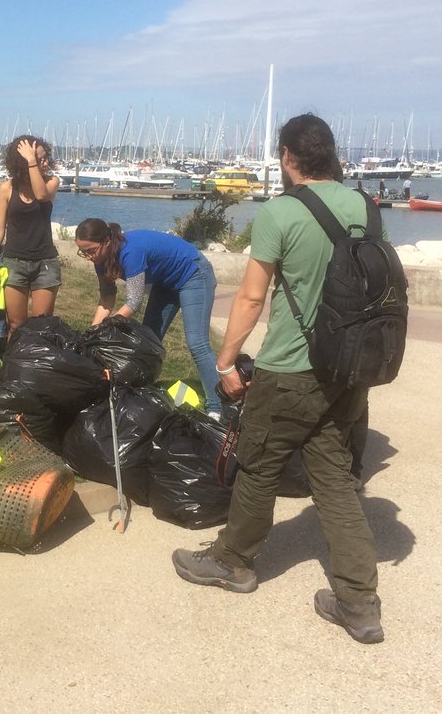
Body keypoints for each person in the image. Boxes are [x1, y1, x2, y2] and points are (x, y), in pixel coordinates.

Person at [170, 112, 384, 644]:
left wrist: (226, 361)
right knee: (334, 478)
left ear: (288, 157)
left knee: (258, 463)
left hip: (291, 367)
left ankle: (233, 561)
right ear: (331, 154)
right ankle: (359, 603)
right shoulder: (367, 207)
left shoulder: (281, 213)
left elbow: (250, 296)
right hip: (348, 371)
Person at [74, 219, 221, 410]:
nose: (89, 257)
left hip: (193, 273)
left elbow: (134, 301)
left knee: (197, 344)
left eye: (91, 250)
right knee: (148, 342)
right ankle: (143, 392)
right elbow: (107, 299)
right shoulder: (100, 260)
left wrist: (107, 328)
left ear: (107, 240)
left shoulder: (130, 252)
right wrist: (93, 332)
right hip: (164, 282)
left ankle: (218, 407)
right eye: (83, 252)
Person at [0, 135, 61, 337]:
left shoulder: (52, 182)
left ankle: (39, 367)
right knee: (16, 324)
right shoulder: (6, 189)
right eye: (39, 160)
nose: (45, 163)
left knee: (42, 326)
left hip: (45, 262)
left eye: (45, 158)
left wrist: (32, 161)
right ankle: (14, 366)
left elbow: (41, 196)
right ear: (21, 162)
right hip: (14, 262)